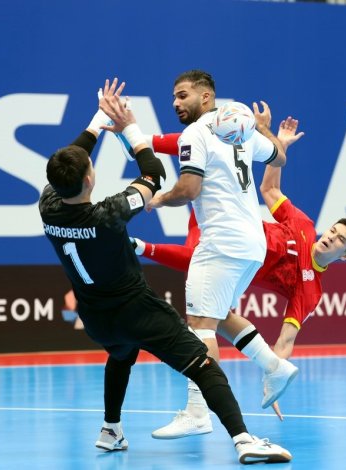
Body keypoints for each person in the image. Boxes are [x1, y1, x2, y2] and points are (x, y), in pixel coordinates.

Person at [39, 78, 291, 464]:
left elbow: (67, 166)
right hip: (138, 310)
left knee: (121, 354)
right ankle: (244, 440)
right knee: (203, 364)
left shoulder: (49, 208)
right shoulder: (109, 214)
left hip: (96, 318)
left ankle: (110, 429)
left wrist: (97, 124)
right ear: (90, 178)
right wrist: (116, 127)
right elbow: (154, 174)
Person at [131, 117, 346, 434]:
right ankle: (249, 381)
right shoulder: (304, 225)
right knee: (214, 316)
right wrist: (278, 144)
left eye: (339, 240)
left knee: (205, 314)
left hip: (235, 254)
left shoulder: (310, 290)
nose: (330, 238)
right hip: (230, 231)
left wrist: (274, 383)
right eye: (333, 231)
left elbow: (286, 338)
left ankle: (204, 406)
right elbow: (269, 188)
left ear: (344, 255)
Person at [145, 70, 300, 435]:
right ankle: (275, 366)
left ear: (206, 96)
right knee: (221, 316)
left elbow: (189, 189)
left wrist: (160, 199)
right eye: (173, 97)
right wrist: (263, 129)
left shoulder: (195, 134)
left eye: (182, 95)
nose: (175, 103)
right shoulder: (241, 129)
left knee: (200, 325)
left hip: (221, 241)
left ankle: (198, 412)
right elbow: (279, 158)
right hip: (252, 244)